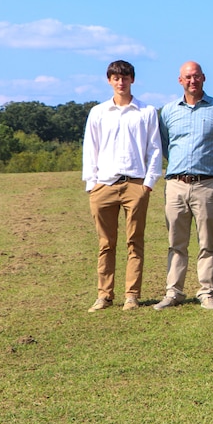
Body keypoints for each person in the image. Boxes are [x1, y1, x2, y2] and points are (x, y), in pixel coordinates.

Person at [155, 61, 213, 311]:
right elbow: (165, 144)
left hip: (207, 184)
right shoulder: (168, 111)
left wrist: (210, 163)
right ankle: (174, 292)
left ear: (204, 78)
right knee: (176, 241)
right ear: (180, 80)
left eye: (197, 77)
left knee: (207, 242)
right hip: (176, 185)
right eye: (188, 77)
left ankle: (207, 292)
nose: (193, 81)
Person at [82, 60, 163, 312]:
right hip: (103, 185)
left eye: (125, 77)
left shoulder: (146, 111)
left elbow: (155, 149)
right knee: (105, 243)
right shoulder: (98, 112)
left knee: (134, 242)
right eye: (116, 77)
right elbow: (90, 148)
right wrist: (91, 185)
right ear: (109, 80)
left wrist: (148, 184)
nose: (121, 82)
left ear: (132, 80)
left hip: (135, 185)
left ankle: (132, 295)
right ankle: (104, 295)